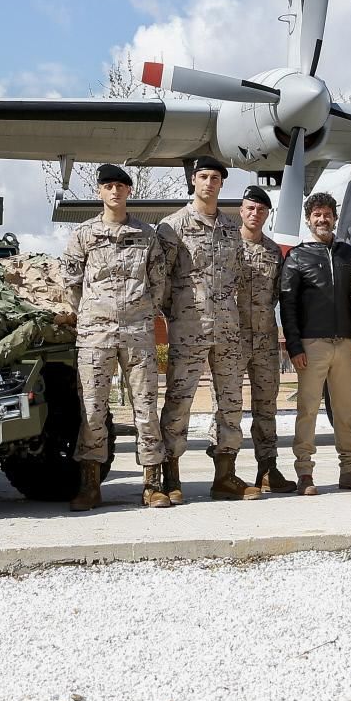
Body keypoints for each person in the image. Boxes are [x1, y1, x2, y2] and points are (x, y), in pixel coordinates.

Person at [58, 164, 174, 510]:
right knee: (93, 409)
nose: (115, 191)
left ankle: (152, 484)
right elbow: (69, 280)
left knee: (145, 407)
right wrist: (93, 310)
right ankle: (91, 485)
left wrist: (143, 310)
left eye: (121, 186)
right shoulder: (84, 235)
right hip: (96, 333)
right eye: (108, 186)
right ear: (99, 192)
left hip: (138, 332)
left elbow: (159, 280)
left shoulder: (146, 234)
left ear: (129, 192)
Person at [157, 157, 260, 502]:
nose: (209, 183)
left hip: (228, 328)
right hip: (189, 327)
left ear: (221, 184)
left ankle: (225, 475)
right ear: (193, 181)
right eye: (203, 177)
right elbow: (162, 281)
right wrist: (179, 313)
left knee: (231, 402)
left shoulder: (231, 228)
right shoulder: (172, 227)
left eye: (216, 178)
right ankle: (169, 475)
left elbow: (237, 277)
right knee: (179, 400)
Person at [277, 191, 351, 494]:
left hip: (344, 344)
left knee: (345, 409)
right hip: (311, 344)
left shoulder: (348, 255)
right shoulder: (297, 256)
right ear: (308, 219)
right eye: (316, 214)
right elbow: (287, 304)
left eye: (327, 214)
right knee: (308, 410)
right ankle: (305, 471)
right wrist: (294, 346)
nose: (322, 219)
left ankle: (350, 468)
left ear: (334, 218)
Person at [236, 186, 295, 493]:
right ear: (241, 211)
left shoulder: (273, 251)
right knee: (228, 406)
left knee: (266, 406)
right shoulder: (227, 246)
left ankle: (268, 468)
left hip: (265, 339)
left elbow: (276, 294)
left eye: (260, 210)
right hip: (232, 339)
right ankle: (225, 470)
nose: (254, 214)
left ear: (266, 214)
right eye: (249, 208)